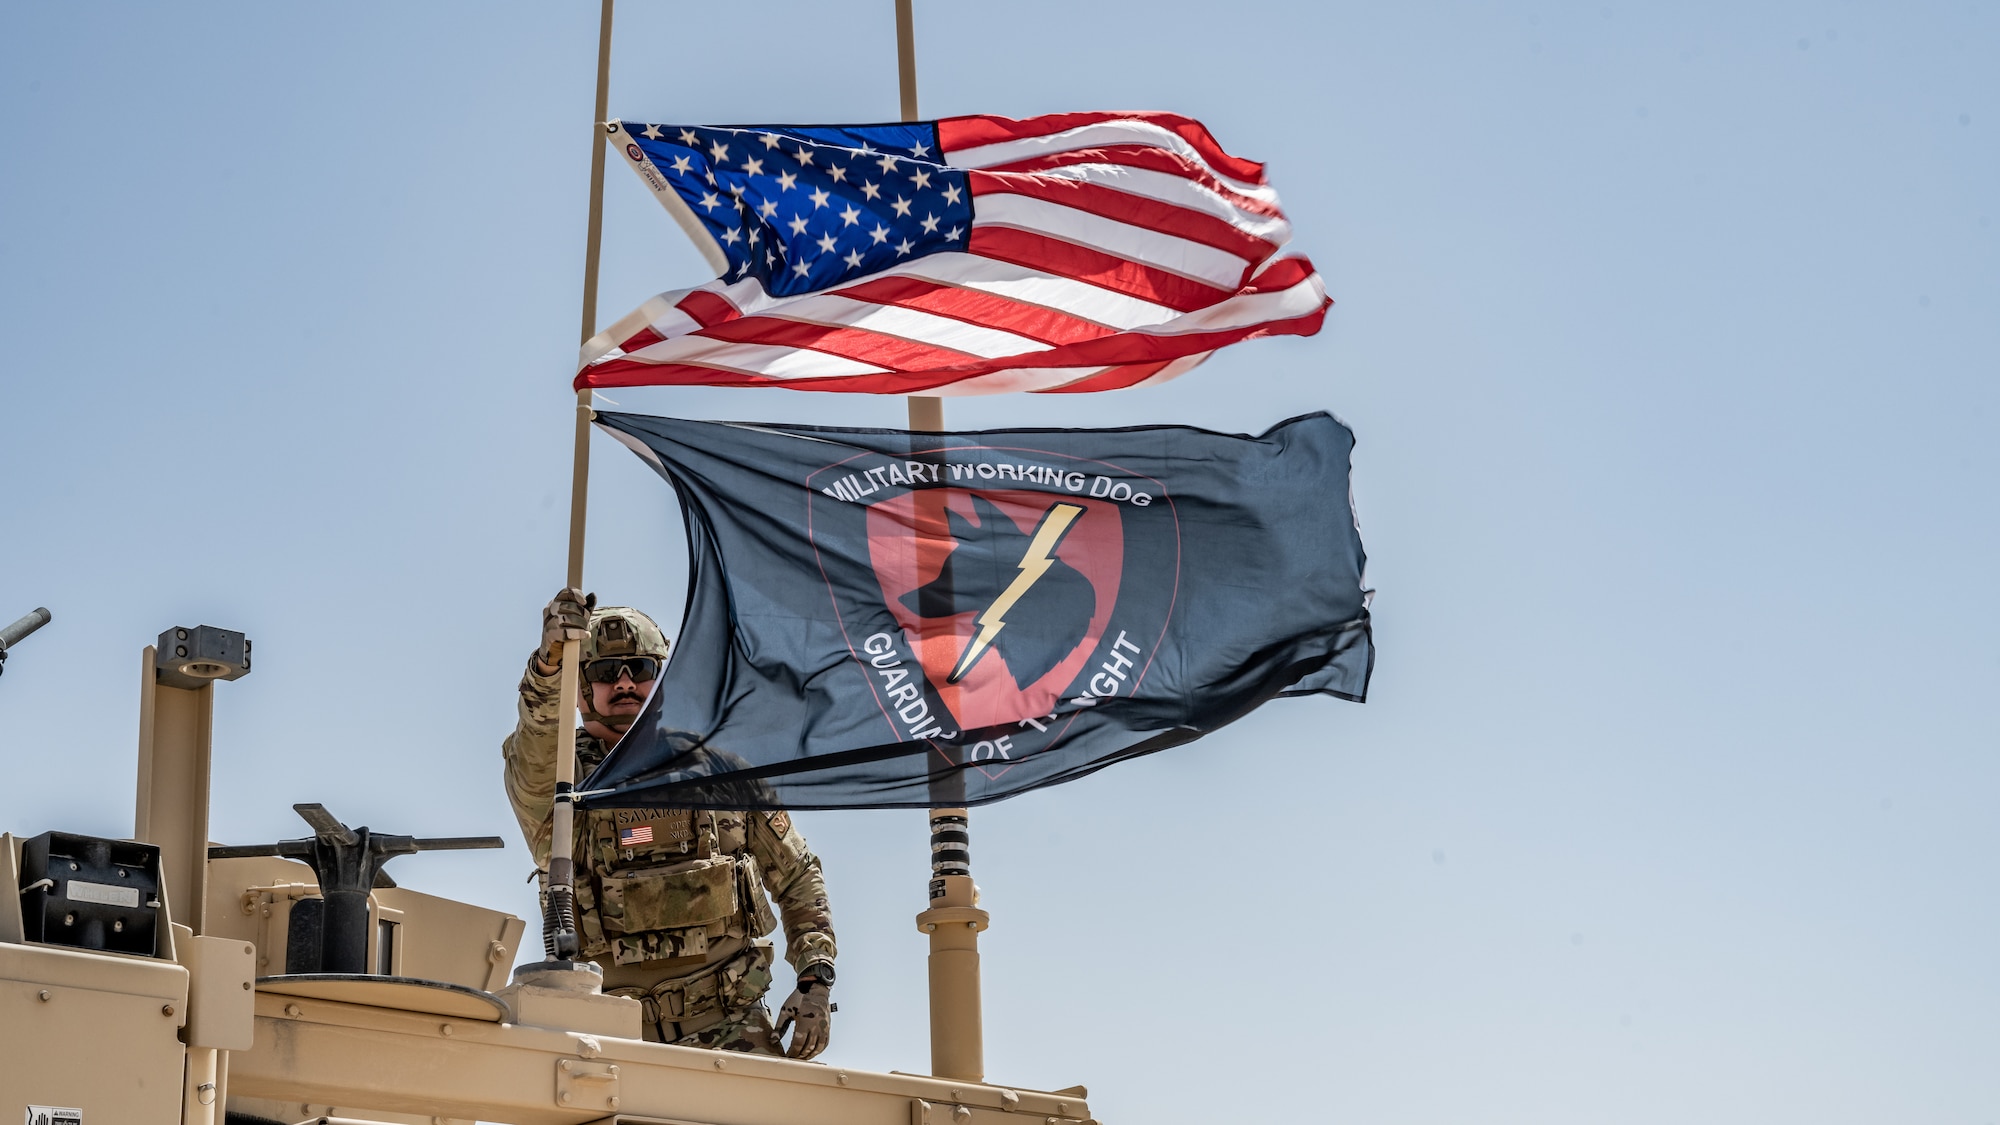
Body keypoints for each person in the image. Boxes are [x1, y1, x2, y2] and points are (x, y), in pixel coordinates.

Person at [503, 588, 837, 1057]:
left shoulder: (725, 774)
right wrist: (548, 665)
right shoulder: (562, 785)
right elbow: (537, 740)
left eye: (639, 670)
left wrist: (814, 980)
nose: (624, 684)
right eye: (603, 673)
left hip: (731, 1027)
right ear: (580, 689)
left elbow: (799, 878)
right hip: (607, 1040)